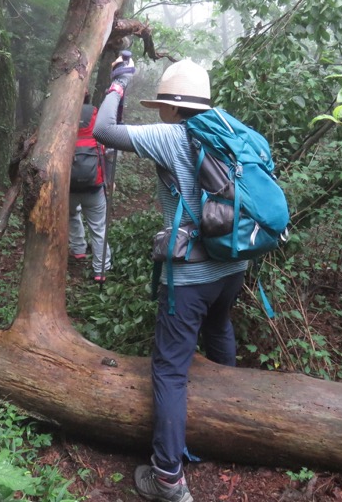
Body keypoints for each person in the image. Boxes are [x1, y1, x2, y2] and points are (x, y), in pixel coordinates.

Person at [93, 57, 247, 502]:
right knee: (219, 329)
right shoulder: (230, 130)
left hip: (192, 276)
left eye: (162, 102)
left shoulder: (174, 134)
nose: (158, 110)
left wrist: (119, 84)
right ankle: (232, 421)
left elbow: (104, 131)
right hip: (233, 266)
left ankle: (166, 479)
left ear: (175, 106)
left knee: (170, 370)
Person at [69, 92, 112, 282]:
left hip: (69, 186)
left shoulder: (64, 116)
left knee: (71, 214)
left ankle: (78, 249)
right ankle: (100, 270)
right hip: (94, 187)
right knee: (98, 228)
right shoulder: (97, 116)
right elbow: (109, 150)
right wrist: (109, 178)